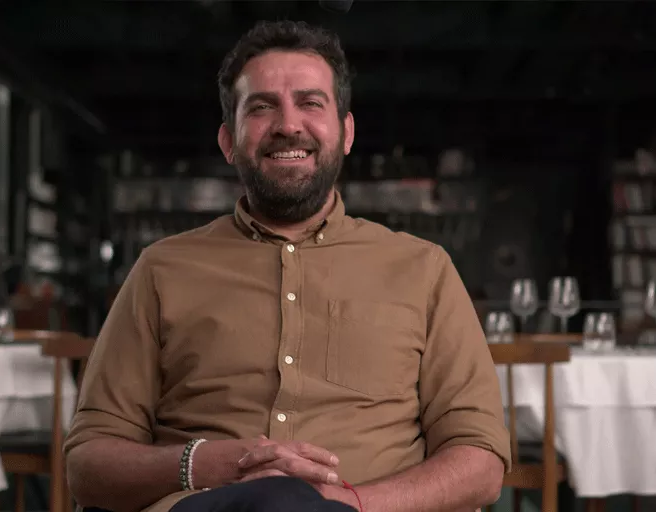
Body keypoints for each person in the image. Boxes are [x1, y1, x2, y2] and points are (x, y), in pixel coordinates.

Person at [65, 20, 510, 512]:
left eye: (310, 103)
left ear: (346, 132)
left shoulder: (424, 269)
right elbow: (88, 465)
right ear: (228, 141)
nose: (288, 125)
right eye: (261, 107)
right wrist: (200, 462)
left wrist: (351, 504)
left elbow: (481, 462)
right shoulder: (161, 269)